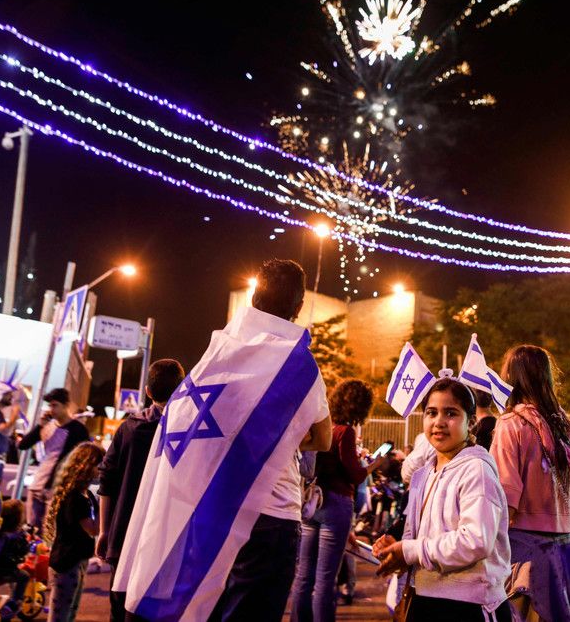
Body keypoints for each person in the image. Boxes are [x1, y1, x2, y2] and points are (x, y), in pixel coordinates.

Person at [208, 259, 333, 622]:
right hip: (273, 512)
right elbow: (323, 438)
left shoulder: (221, 350)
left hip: (217, 502)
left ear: (254, 298)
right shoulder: (299, 363)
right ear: (299, 306)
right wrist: (279, 438)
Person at [373, 378, 512, 621]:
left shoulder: (477, 470)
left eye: (451, 413)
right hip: (424, 598)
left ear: (471, 422)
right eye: (431, 413)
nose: (439, 422)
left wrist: (410, 551)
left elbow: (476, 541)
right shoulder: (423, 474)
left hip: (469, 606)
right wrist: (397, 550)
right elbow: (416, 537)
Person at [490, 345, 570, 622]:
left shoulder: (511, 424)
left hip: (525, 557)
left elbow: (506, 501)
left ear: (511, 377)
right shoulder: (566, 426)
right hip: (567, 553)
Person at [97, 358, 185, 622]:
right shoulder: (191, 430)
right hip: (166, 538)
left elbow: (106, 480)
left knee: (120, 604)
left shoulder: (129, 428)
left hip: (124, 533)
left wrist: (104, 531)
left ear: (147, 391)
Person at [291, 379, 383, 622]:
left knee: (303, 576)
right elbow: (354, 474)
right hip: (336, 505)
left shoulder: (322, 428)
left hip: (313, 504)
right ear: (360, 407)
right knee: (325, 579)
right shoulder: (345, 432)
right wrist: (374, 465)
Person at [18, 388, 91, 531]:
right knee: (31, 530)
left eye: (55, 405)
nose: (52, 409)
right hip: (38, 485)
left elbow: (85, 459)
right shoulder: (47, 426)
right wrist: (40, 426)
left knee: (50, 532)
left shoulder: (78, 430)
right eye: (50, 405)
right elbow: (23, 445)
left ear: (66, 405)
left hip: (58, 489)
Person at [45, 442, 103, 622]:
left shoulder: (87, 495)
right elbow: (93, 529)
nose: (102, 469)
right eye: (99, 464)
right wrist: (105, 502)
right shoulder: (74, 498)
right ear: (86, 466)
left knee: (70, 613)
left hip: (77, 562)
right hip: (66, 563)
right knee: (59, 616)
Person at [0, 499, 32, 619]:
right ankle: (14, 603)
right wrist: (28, 542)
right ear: (18, 518)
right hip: (4, 569)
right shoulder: (16, 536)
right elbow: (23, 551)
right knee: (24, 576)